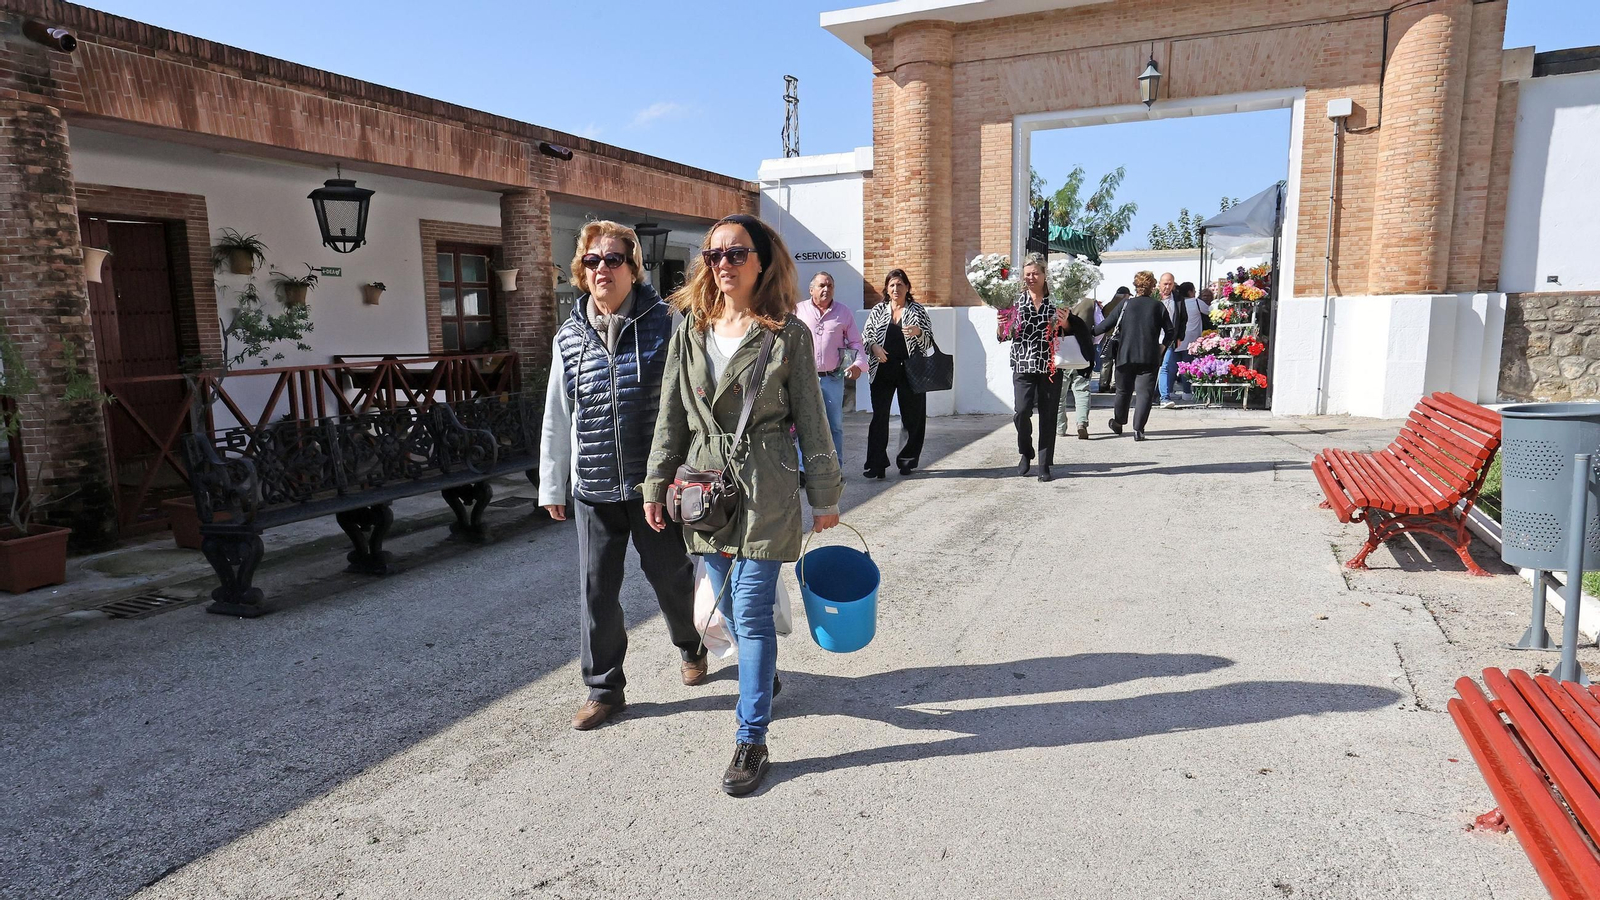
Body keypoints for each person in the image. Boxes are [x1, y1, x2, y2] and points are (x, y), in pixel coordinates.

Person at [643, 213, 842, 796]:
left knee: (751, 609)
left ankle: (751, 738)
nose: (722, 264)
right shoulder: (688, 329)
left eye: (735, 253)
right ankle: (765, 670)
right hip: (704, 485)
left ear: (762, 260)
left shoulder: (788, 333)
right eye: (713, 255)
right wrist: (657, 483)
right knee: (727, 604)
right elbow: (671, 416)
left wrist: (823, 494)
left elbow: (814, 418)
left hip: (767, 484)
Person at [539, 221, 702, 732]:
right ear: (581, 272)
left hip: (654, 484)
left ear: (634, 267)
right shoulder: (568, 337)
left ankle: (691, 644)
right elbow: (557, 414)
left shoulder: (667, 322)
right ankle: (604, 689)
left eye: (612, 259)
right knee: (596, 589)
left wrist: (686, 474)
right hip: (594, 486)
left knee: (672, 578)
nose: (602, 269)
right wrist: (552, 483)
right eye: (592, 261)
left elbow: (688, 405)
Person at [860, 269, 933, 479]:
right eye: (892, 285)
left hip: (911, 369)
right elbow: (866, 337)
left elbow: (929, 341)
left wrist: (918, 332)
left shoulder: (917, 310)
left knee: (912, 418)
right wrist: (874, 347)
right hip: (882, 369)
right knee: (879, 417)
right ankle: (876, 464)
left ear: (907, 287)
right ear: (887, 288)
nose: (895, 289)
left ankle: (907, 460)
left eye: (900, 284)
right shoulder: (878, 310)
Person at [793, 271, 866, 470]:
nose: (826, 289)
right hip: (805, 379)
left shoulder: (843, 312)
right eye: (822, 286)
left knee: (834, 426)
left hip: (832, 378)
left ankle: (835, 468)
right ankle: (802, 469)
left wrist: (858, 364)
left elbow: (855, 342)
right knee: (804, 425)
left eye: (830, 286)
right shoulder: (798, 311)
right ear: (811, 290)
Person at [1095, 269, 1175, 442]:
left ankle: (1118, 422)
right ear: (1153, 286)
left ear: (1136, 286)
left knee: (1123, 391)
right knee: (1144, 394)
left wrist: (1083, 331)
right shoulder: (1158, 306)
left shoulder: (1125, 305)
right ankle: (1138, 429)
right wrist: (1162, 347)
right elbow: (1171, 331)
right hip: (1149, 356)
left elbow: (1104, 326)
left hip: (1125, 355)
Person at [1096, 286, 1131, 394]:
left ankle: (1103, 384)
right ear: (1125, 296)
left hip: (1107, 336)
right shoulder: (1126, 305)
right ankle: (1114, 385)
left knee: (1106, 361)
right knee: (1118, 361)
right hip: (1121, 336)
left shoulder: (1108, 306)